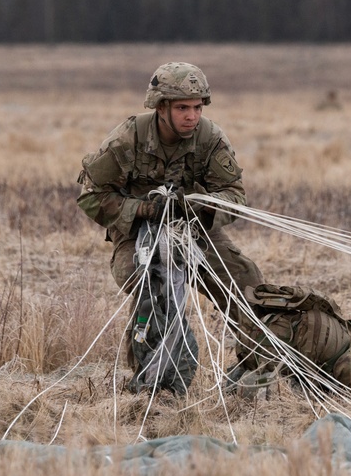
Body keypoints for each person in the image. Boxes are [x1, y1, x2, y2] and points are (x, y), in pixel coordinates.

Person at [76, 62, 264, 394]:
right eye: (182, 108)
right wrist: (144, 208)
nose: (192, 116)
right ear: (161, 107)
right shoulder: (128, 138)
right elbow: (91, 197)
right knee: (148, 282)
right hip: (137, 233)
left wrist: (203, 204)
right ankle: (151, 380)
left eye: (197, 107)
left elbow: (236, 196)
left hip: (196, 229)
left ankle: (252, 372)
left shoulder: (210, 138)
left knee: (247, 283)